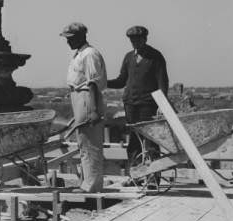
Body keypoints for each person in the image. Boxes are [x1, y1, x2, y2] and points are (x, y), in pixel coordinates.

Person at [107, 26, 169, 160]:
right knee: (134, 139)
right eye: (132, 40)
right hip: (130, 104)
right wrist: (103, 82)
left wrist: (162, 106)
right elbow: (121, 81)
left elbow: (162, 83)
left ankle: (153, 176)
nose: (135, 42)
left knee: (151, 139)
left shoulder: (155, 57)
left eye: (137, 39)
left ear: (145, 39)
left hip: (148, 105)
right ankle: (135, 174)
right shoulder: (129, 57)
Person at [61, 22, 106, 193]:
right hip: (80, 97)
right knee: (83, 142)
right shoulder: (80, 54)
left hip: (88, 97)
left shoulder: (89, 54)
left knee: (90, 143)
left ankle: (91, 186)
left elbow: (92, 83)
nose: (68, 42)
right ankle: (87, 181)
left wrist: (93, 110)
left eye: (71, 39)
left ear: (81, 37)